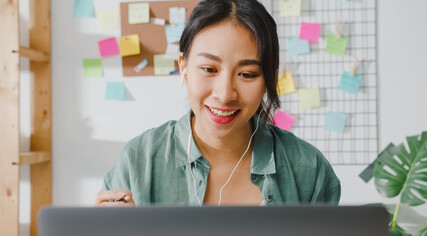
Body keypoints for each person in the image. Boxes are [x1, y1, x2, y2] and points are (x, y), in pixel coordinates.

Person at [95, 0, 340, 207]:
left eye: (247, 74)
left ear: (267, 79)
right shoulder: (139, 161)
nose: (224, 95)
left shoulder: (309, 168)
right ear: (184, 67)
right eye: (209, 69)